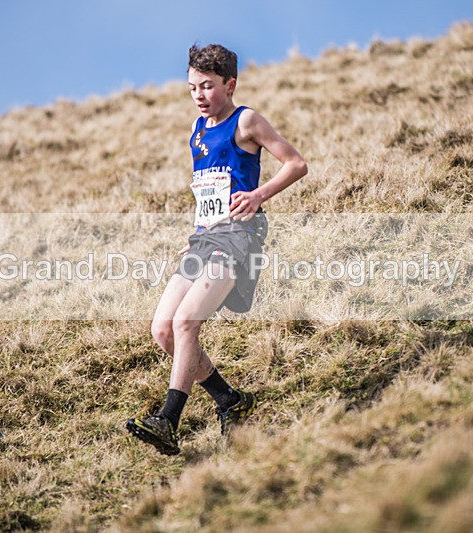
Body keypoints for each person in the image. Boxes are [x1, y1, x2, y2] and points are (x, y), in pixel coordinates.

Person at [126, 43, 308, 455]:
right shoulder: (197, 129)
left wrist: (259, 194)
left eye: (207, 87)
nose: (199, 96)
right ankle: (228, 399)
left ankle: (168, 420)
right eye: (192, 88)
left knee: (188, 322)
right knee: (163, 330)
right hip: (204, 238)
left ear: (230, 84)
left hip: (238, 237)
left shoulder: (247, 121)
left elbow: (296, 163)